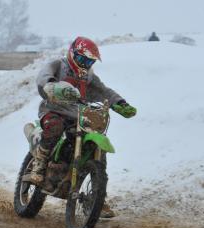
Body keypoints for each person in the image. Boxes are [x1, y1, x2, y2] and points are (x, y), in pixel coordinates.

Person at [30, 36, 137, 185]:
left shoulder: (88, 77)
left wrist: (120, 103)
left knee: (94, 142)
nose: (85, 65)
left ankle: (98, 188)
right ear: (73, 53)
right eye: (83, 60)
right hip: (54, 109)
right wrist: (50, 84)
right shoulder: (58, 65)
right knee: (55, 126)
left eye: (90, 62)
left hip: (78, 115)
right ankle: (39, 164)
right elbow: (44, 75)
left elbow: (104, 92)